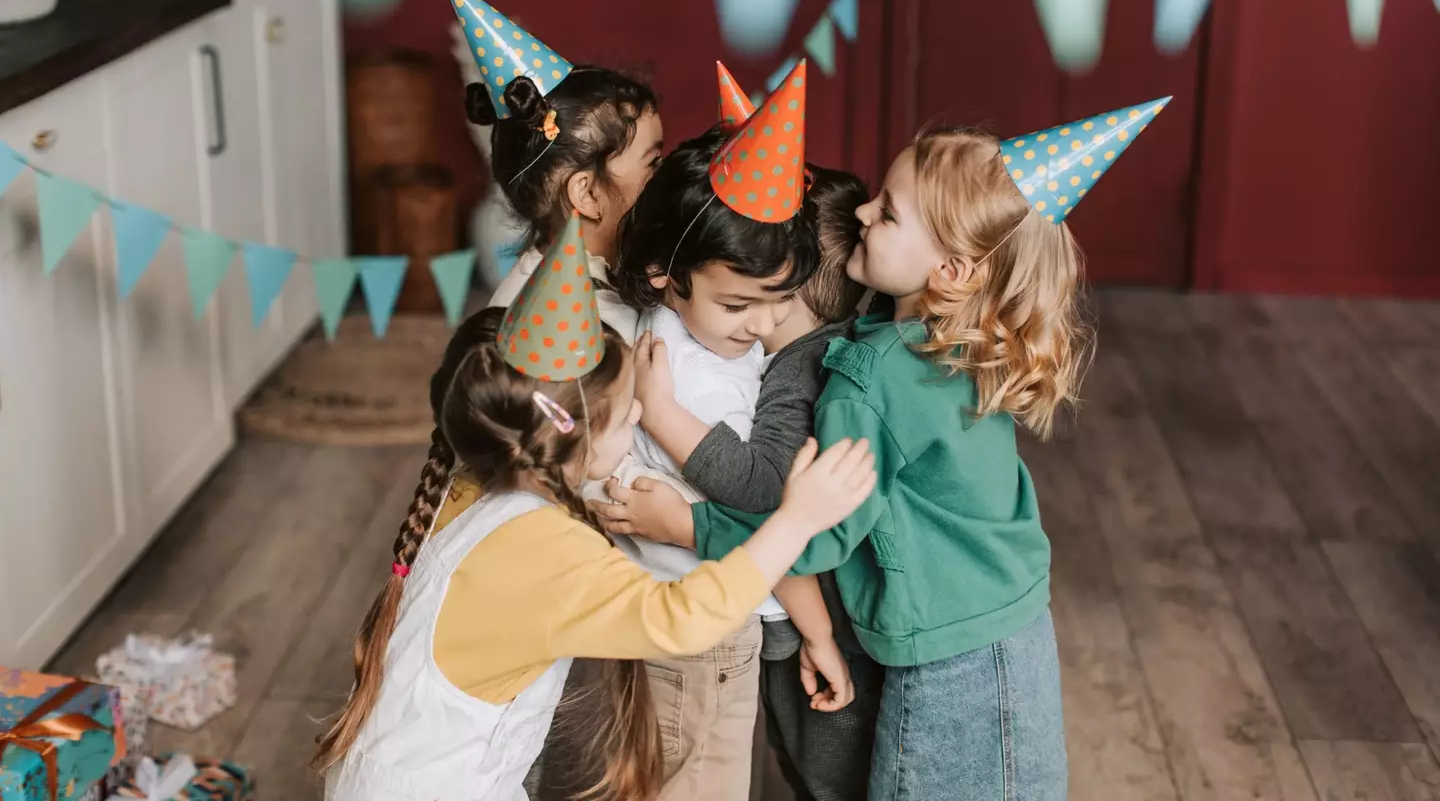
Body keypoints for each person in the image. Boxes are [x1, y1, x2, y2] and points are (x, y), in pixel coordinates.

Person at [600, 98, 1172, 799]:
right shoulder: (949, 340)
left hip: (946, 655)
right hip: (1013, 627)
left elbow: (810, 536)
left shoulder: (865, 383)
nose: (864, 213)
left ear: (953, 272)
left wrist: (689, 524)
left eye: (889, 212)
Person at [314, 213, 877, 801]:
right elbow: (681, 618)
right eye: (625, 412)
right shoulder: (545, 547)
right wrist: (796, 520)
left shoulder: (472, 492)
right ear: (570, 433)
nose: (639, 418)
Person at [595, 108, 882, 801]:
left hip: (664, 606)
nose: (762, 326)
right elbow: (758, 502)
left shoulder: (676, 328)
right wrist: (816, 633)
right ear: (667, 272)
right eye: (740, 306)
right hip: (705, 626)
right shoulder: (698, 385)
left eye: (777, 301)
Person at [444, 0, 664, 342]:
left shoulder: (606, 270)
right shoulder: (574, 329)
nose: (665, 175)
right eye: (653, 163)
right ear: (588, 194)